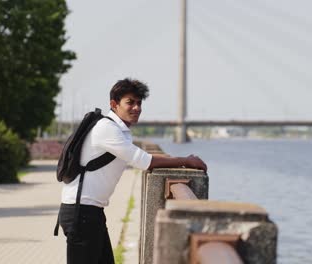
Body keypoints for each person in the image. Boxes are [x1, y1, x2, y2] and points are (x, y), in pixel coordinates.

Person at [58, 78, 207, 264]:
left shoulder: (118, 130)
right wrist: (186, 161)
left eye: (139, 103)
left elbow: (141, 157)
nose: (136, 108)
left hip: (90, 212)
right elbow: (143, 160)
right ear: (114, 104)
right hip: (81, 213)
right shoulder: (107, 128)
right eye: (130, 102)